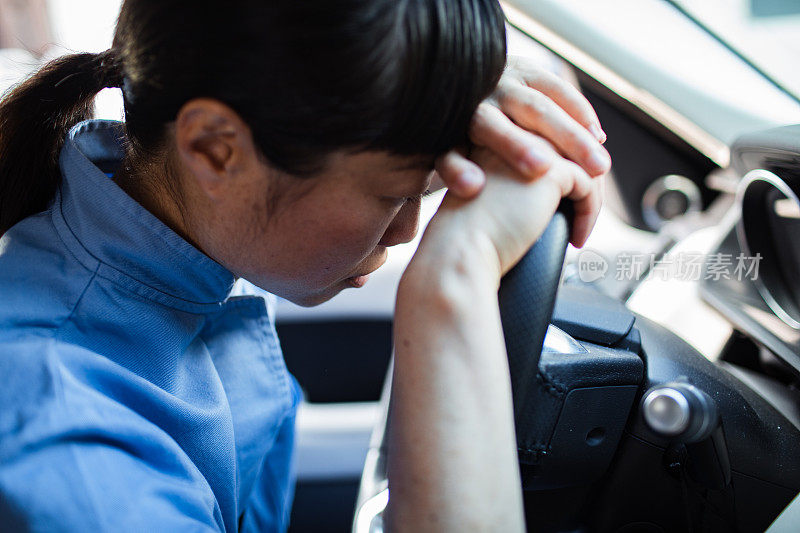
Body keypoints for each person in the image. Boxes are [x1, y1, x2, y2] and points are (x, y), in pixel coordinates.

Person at [0, 0, 608, 531]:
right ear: (216, 149)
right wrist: (452, 283)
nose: (407, 232)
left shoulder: (180, 243)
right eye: (395, 194)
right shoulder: (75, 453)